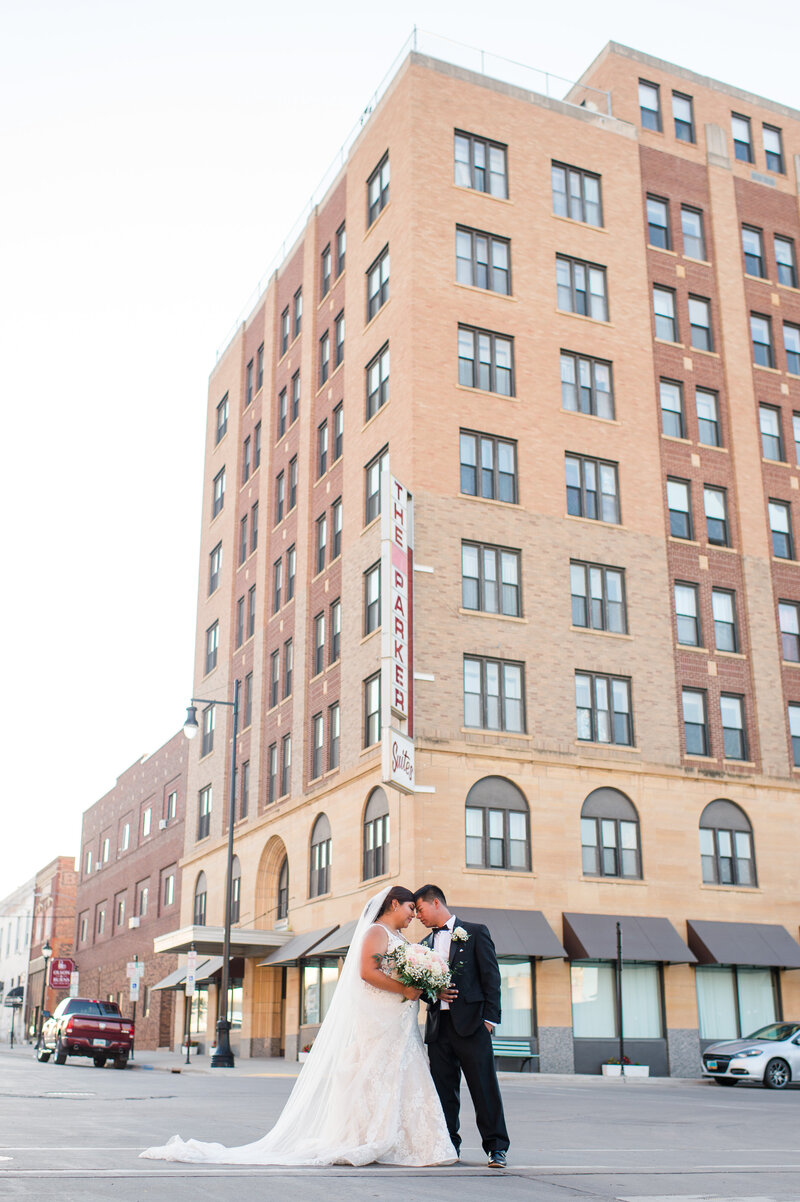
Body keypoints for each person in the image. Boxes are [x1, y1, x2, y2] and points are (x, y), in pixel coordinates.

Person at [140, 885, 456, 1167]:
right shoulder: (376, 932)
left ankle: (410, 1143)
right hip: (380, 1016)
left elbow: (401, 973)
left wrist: (422, 984)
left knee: (402, 1074)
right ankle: (369, 1137)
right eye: (410, 908)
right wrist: (403, 989)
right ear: (393, 905)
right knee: (375, 1074)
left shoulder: (400, 938)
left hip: (398, 1018)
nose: (413, 915)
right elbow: (365, 972)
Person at [413, 884, 510, 1168]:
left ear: (435, 903)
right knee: (444, 1092)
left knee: (484, 1088)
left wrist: (490, 1021)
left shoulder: (476, 932)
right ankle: (449, 1145)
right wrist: (434, 994)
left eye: (420, 909)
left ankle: (496, 1148)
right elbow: (419, 987)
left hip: (473, 1027)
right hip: (438, 1028)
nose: (418, 915)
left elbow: (491, 977)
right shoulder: (423, 945)